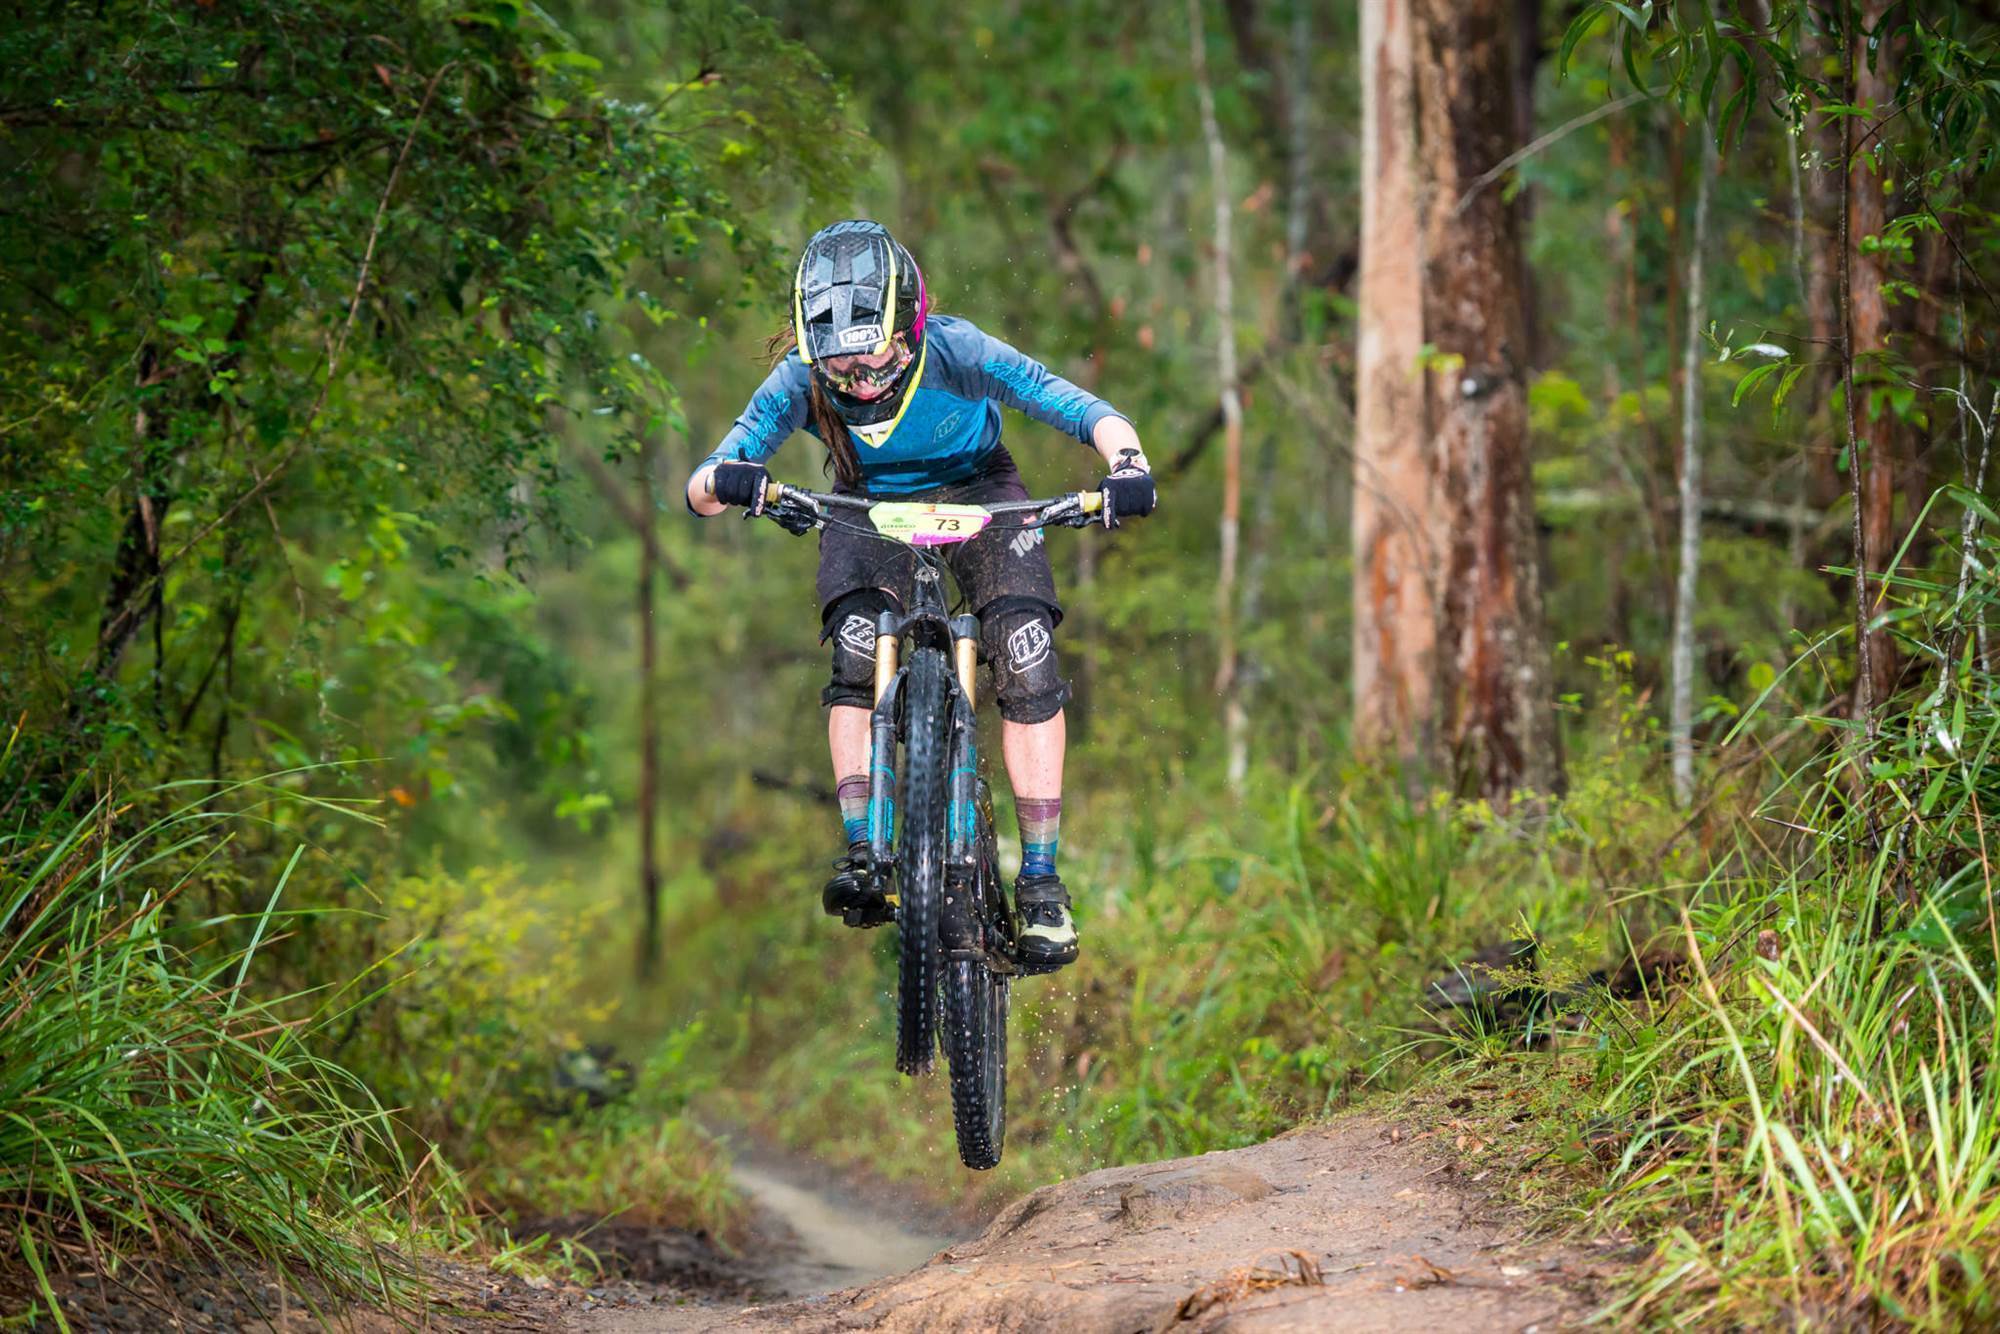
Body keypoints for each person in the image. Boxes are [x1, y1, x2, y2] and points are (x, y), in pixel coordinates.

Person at [685, 219, 1155, 971]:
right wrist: (731, 479)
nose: (859, 380)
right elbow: (703, 484)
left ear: (911, 325)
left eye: (872, 356)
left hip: (980, 493)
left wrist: (1126, 464)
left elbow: (1082, 409)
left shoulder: (959, 350)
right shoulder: (797, 383)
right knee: (856, 650)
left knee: (1026, 656)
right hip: (864, 507)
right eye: (838, 365)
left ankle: (1040, 885)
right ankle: (865, 849)